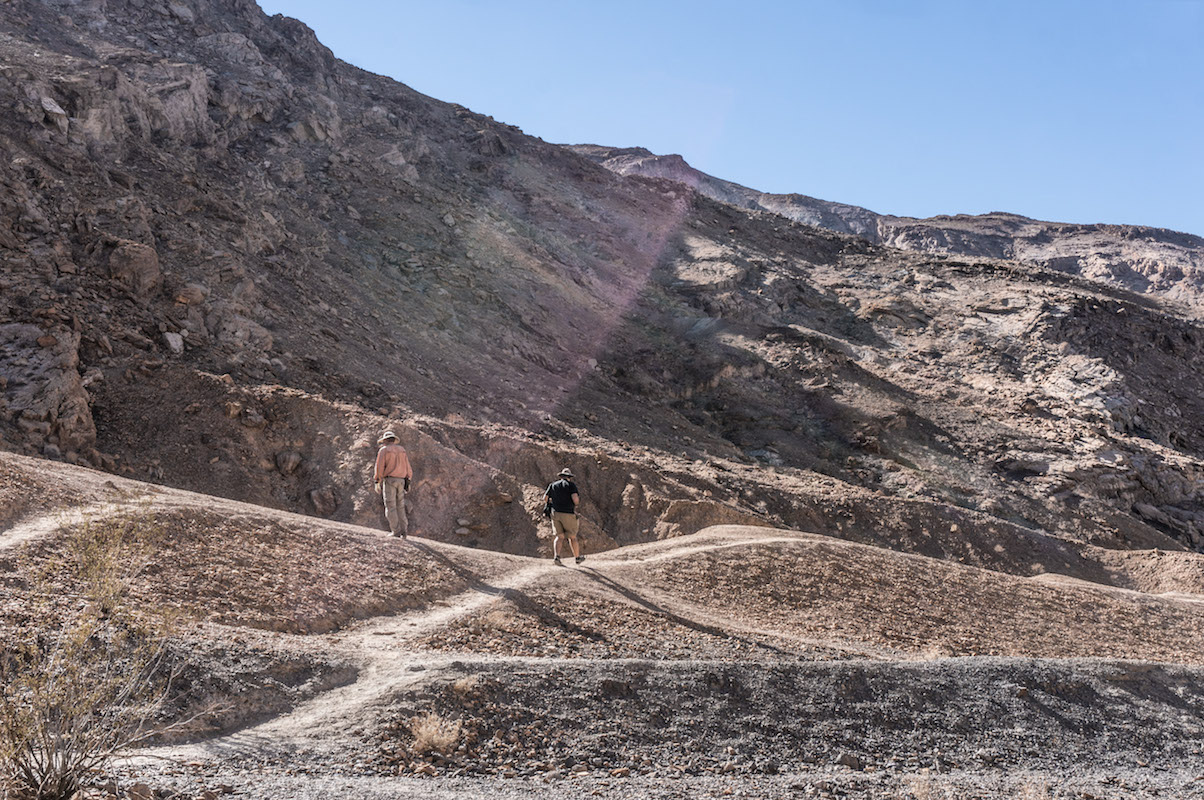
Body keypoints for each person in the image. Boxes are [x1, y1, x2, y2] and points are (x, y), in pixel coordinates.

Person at [373, 430, 413, 538]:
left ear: (385, 440)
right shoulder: (402, 450)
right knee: (400, 506)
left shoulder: (384, 450)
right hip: (402, 481)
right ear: (394, 440)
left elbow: (379, 467)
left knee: (391, 506)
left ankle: (395, 531)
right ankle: (404, 531)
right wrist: (408, 481)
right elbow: (408, 467)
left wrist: (377, 480)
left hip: (390, 480)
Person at [544, 468, 583, 565]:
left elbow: (545, 498)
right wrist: (575, 503)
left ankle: (556, 557)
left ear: (561, 476)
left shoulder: (553, 485)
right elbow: (575, 499)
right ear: (569, 477)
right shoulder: (571, 485)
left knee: (559, 536)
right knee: (572, 537)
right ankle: (577, 558)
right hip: (568, 513)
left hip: (555, 513)